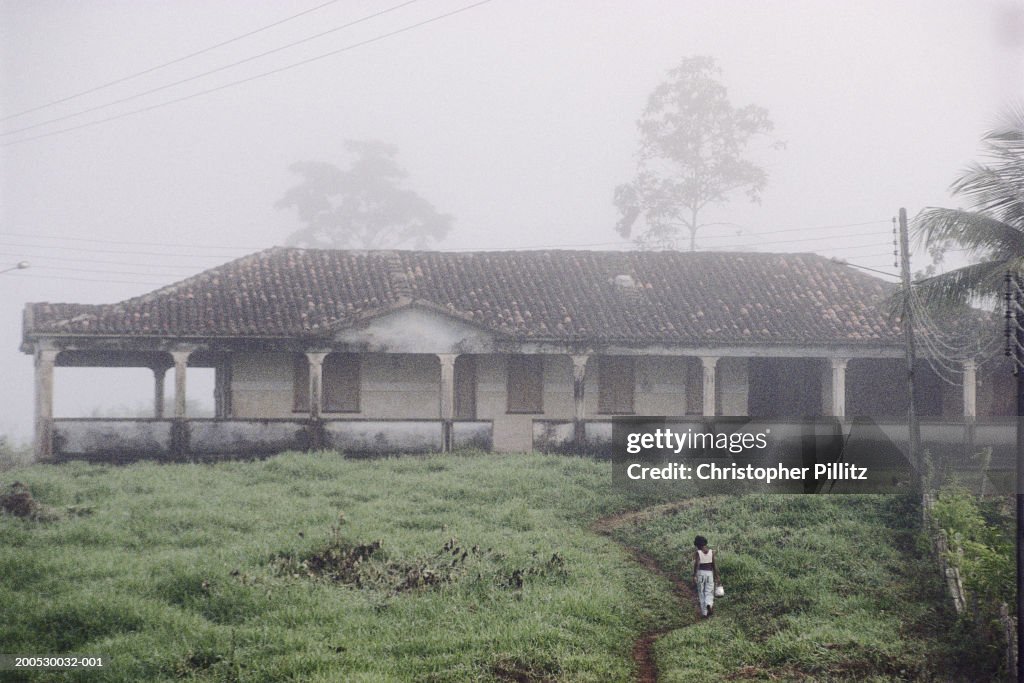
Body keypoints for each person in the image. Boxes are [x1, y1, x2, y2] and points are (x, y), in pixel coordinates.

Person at [692, 535, 721, 617]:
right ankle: (709, 604)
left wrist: (694, 575)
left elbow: (697, 564)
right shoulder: (711, 552)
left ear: (697, 545)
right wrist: (717, 575)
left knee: (701, 593)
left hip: (701, 573)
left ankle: (704, 613)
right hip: (709, 573)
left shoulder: (698, 553)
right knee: (709, 592)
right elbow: (714, 565)